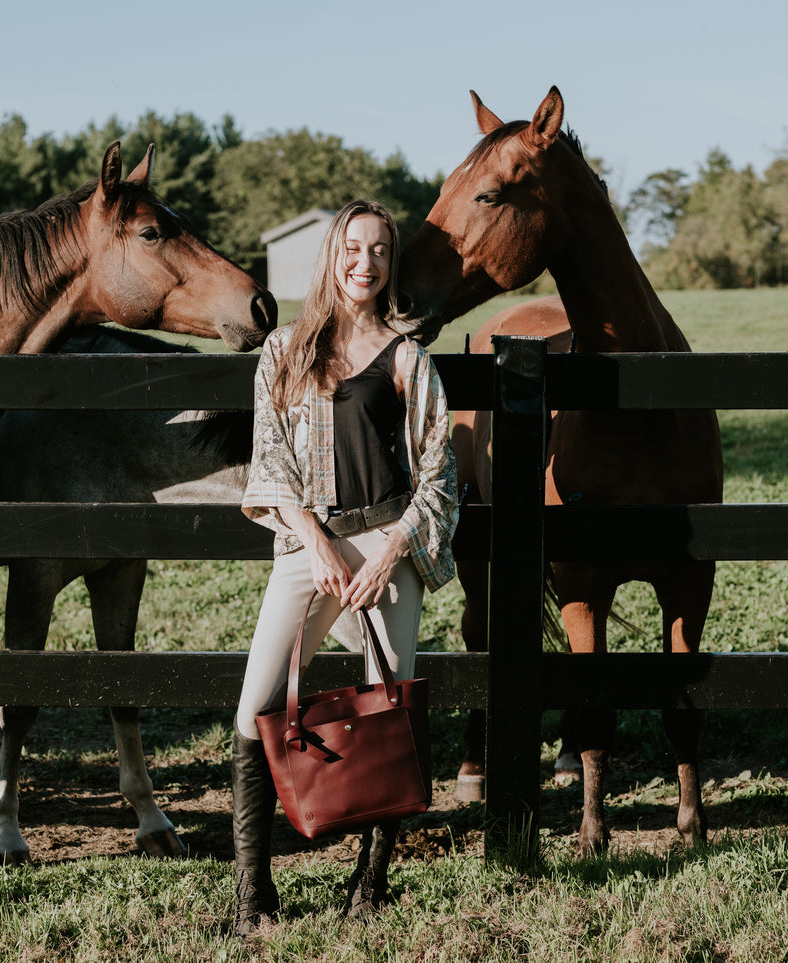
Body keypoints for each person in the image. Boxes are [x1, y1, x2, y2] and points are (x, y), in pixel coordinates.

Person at [232, 199, 458, 934]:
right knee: (254, 708)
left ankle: (369, 884)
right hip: (309, 550)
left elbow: (436, 472)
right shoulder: (285, 349)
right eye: (353, 249)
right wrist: (315, 541)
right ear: (332, 256)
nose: (365, 263)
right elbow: (267, 456)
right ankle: (252, 894)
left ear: (390, 264)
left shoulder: (406, 356)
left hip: (387, 550)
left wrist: (391, 552)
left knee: (387, 710)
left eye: (380, 252)